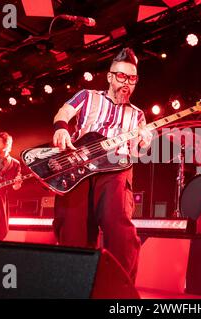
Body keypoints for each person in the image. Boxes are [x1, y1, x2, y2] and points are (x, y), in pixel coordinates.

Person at [51, 48, 153, 283]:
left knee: (120, 231)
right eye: (121, 77)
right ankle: (73, 286)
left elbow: (139, 151)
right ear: (109, 77)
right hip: (80, 168)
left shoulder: (138, 115)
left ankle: (119, 290)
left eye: (132, 79)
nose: (126, 83)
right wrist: (61, 129)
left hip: (116, 171)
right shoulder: (88, 96)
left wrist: (145, 141)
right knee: (72, 231)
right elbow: (63, 112)